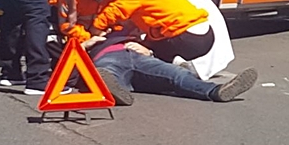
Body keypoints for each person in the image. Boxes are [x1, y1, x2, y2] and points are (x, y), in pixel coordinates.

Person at [118, 0, 235, 80]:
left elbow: (159, 20)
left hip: (195, 30)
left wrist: (146, 45)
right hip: (207, 27)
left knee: (156, 41)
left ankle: (168, 61)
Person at [81, 33, 257, 106]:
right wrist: (85, 45)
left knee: (176, 74)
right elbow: (67, 56)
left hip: (140, 55)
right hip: (106, 56)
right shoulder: (87, 36)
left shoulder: (129, 26)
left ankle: (216, 91)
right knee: (107, 72)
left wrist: (148, 50)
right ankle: (111, 91)